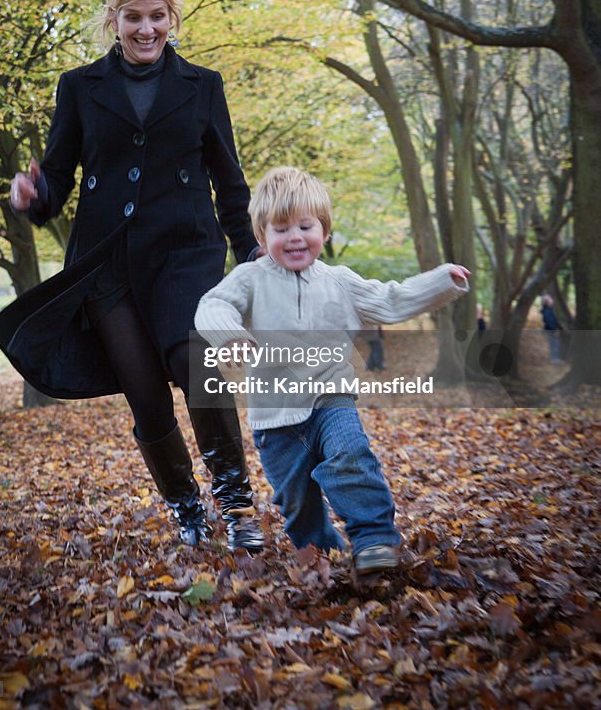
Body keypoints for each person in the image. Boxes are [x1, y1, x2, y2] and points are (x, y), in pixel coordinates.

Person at [0, 0, 263, 552]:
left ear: (173, 19)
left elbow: (230, 183)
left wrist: (252, 257)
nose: (146, 29)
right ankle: (187, 507)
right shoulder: (80, 87)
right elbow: (56, 179)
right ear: (114, 19)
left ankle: (238, 506)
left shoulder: (203, 86)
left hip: (186, 255)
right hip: (107, 264)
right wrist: (32, 197)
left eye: (157, 16)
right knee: (143, 391)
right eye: (133, 17)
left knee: (198, 366)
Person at [194, 167, 470, 577]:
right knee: (297, 502)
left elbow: (390, 300)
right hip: (275, 418)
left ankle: (374, 539)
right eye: (281, 229)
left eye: (305, 226)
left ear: (324, 230)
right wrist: (229, 335)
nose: (295, 238)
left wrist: (440, 282)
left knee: (350, 457)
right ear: (261, 237)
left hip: (331, 400)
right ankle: (324, 554)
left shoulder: (340, 281)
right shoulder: (249, 279)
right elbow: (212, 305)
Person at [540, 294, 563, 364]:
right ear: (547, 302)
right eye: (550, 299)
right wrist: (555, 329)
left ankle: (554, 358)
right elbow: (549, 322)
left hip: (551, 330)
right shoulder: (547, 311)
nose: (552, 300)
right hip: (551, 330)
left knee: (555, 343)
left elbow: (553, 320)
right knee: (554, 343)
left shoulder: (549, 310)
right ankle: (554, 359)